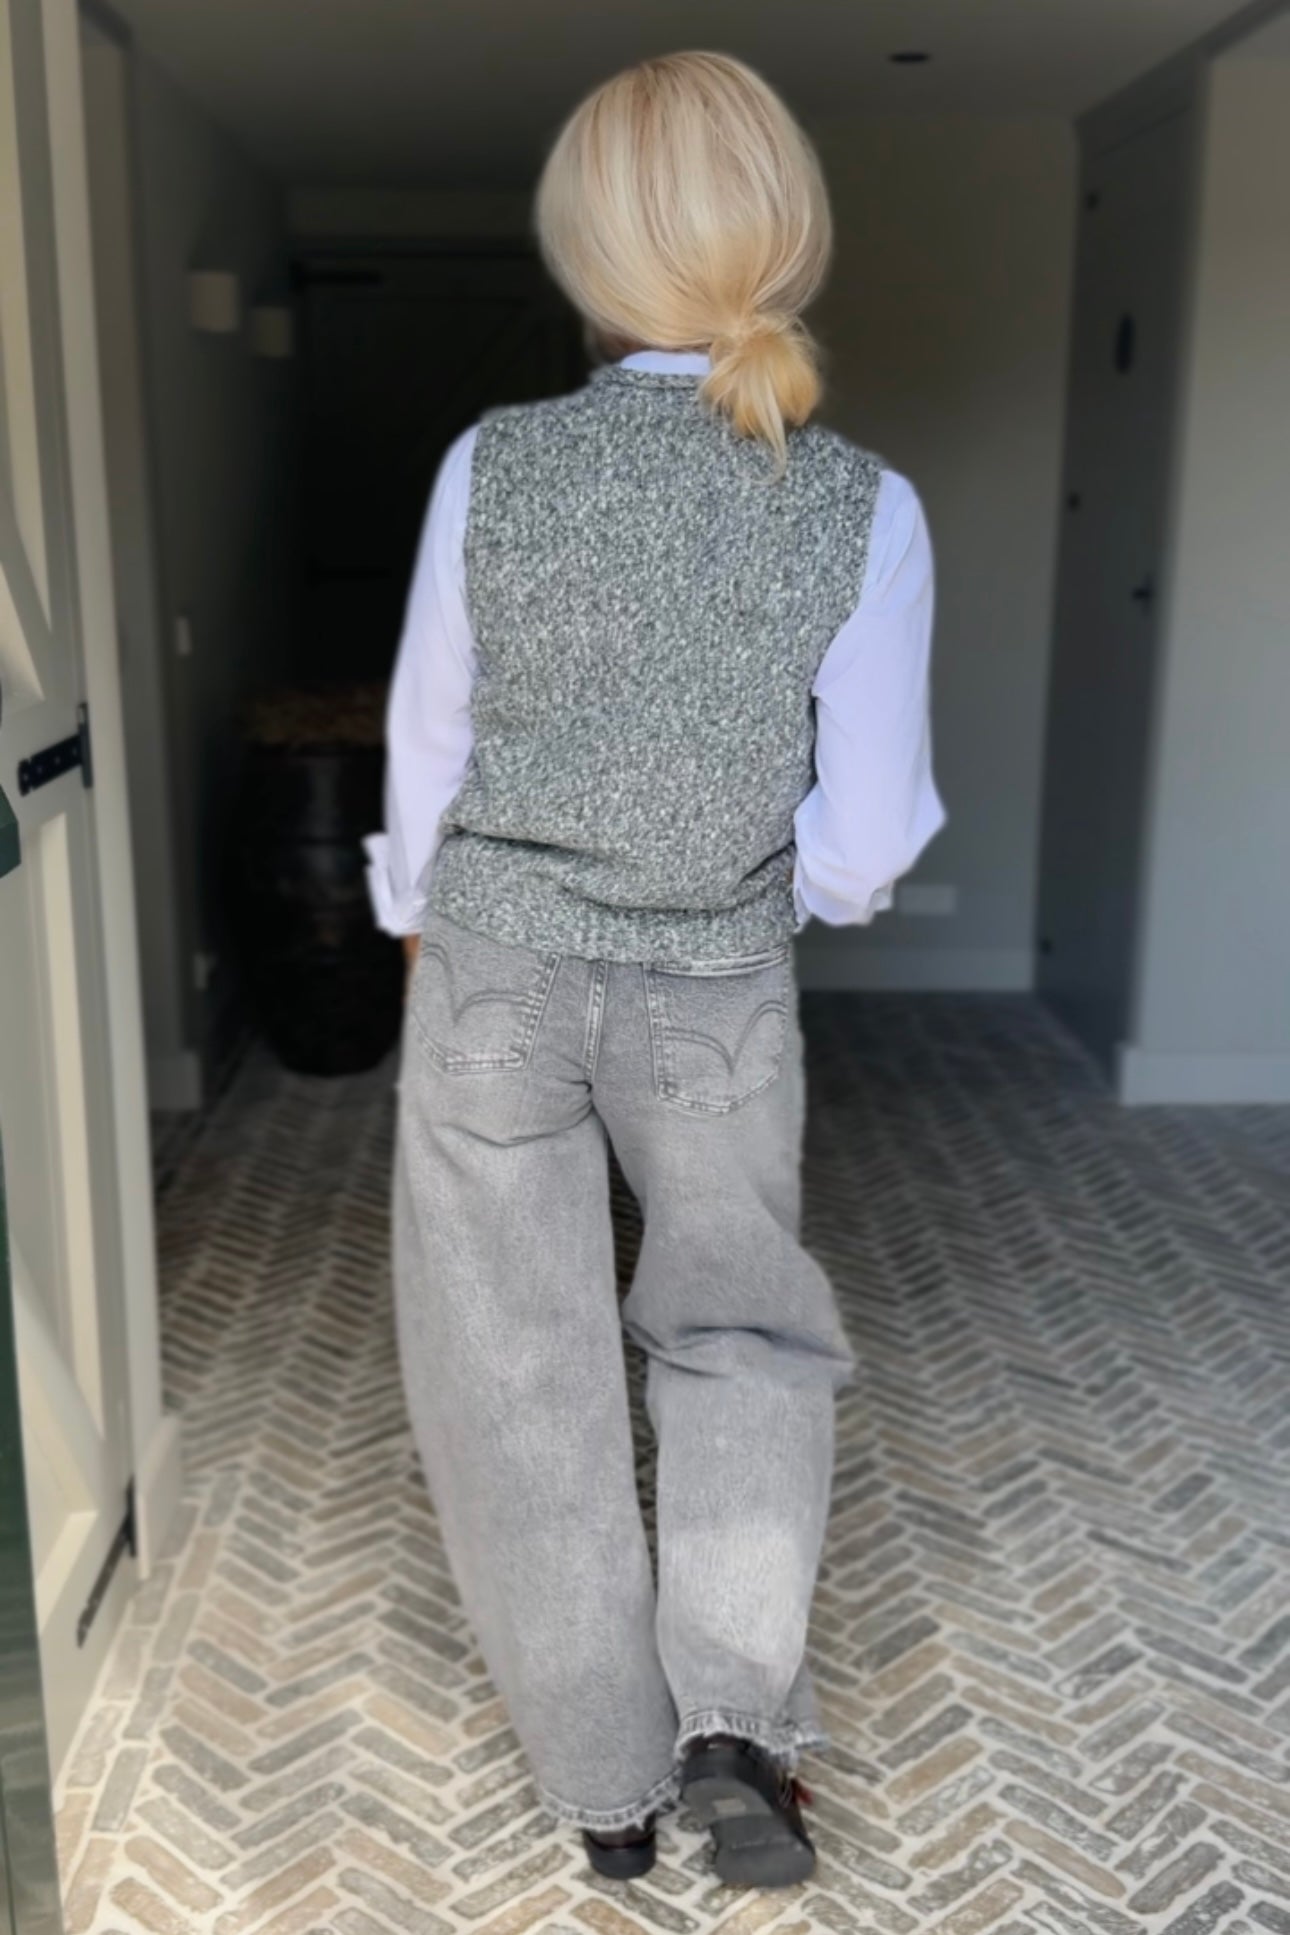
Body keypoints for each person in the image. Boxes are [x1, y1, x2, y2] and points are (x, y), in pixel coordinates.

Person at [365, 50, 944, 1891]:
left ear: (586, 252)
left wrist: (413, 909)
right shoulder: (861, 503)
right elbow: (866, 836)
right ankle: (731, 1724)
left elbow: (429, 738)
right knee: (740, 1333)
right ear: (787, 239)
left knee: (511, 1365)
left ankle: (608, 1792)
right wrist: (780, 891)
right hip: (714, 977)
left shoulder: (495, 466)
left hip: (499, 965)